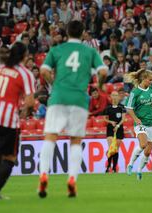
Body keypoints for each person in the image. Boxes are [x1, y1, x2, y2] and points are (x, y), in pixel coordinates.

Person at [38, 21, 108, 198]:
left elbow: (44, 71)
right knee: (75, 140)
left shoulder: (57, 50)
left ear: (67, 33)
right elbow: (103, 72)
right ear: (83, 33)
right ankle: (72, 180)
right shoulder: (90, 51)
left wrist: (55, 85)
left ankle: (43, 174)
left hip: (58, 97)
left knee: (51, 136)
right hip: (79, 98)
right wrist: (99, 86)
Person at [0, 43, 35, 199]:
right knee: (9, 158)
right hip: (8, 120)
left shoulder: (0, 69)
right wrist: (24, 113)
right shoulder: (25, 74)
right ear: (25, 56)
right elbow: (30, 102)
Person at [104, 90, 126, 173]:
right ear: (110, 96)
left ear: (118, 97)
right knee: (111, 148)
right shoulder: (108, 108)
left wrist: (117, 125)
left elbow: (123, 118)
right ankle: (108, 166)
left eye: (116, 95)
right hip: (110, 129)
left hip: (119, 129)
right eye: (113, 95)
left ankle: (114, 167)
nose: (115, 97)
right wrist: (111, 122)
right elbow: (105, 118)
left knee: (116, 149)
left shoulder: (121, 107)